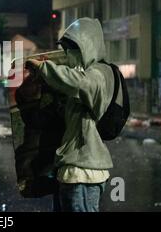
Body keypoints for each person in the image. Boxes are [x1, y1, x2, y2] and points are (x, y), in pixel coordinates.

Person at [26, 17, 114, 212]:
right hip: (71, 169)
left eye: (72, 48)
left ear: (87, 47)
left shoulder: (99, 74)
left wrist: (45, 68)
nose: (68, 54)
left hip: (83, 171)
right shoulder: (84, 76)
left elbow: (79, 83)